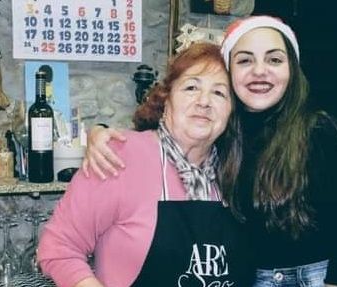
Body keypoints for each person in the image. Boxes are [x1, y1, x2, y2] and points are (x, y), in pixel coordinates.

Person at [82, 16, 337, 287]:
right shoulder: (223, 131)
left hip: (316, 278)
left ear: (292, 69)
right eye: (245, 60)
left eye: (274, 59)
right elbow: (158, 123)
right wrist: (100, 133)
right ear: (229, 74)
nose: (259, 70)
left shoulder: (317, 130)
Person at [37, 43, 255, 287]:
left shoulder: (239, 170)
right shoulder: (118, 157)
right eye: (191, 87)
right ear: (166, 100)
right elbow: (59, 248)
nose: (204, 101)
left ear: (231, 111)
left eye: (219, 93)